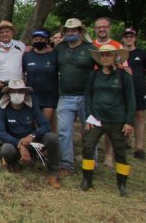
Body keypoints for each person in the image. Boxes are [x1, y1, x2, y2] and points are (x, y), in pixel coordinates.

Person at [81, 45, 135, 197]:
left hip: (117, 120)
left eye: (108, 55)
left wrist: (129, 121)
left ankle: (122, 185)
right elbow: (88, 96)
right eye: (102, 55)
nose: (105, 57)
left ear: (114, 56)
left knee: (120, 152)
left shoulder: (124, 75)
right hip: (97, 119)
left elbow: (131, 99)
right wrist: (89, 115)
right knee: (88, 146)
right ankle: (87, 180)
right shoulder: (94, 74)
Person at [0, 79, 61, 189]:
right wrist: (19, 143)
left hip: (31, 142)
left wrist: (32, 136)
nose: (17, 94)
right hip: (13, 144)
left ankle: (53, 173)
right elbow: (0, 133)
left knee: (52, 137)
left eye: (20, 91)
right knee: (6, 149)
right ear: (8, 93)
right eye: (13, 91)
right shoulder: (1, 107)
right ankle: (13, 163)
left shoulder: (31, 105)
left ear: (25, 93)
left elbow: (46, 125)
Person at [55, 18, 95, 176]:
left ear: (80, 32)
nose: (71, 33)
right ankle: (67, 164)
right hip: (65, 96)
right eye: (68, 31)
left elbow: (106, 63)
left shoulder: (90, 48)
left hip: (87, 97)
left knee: (90, 132)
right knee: (64, 131)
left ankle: (91, 162)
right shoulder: (60, 48)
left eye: (74, 30)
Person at [92, 17, 124, 167]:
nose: (102, 29)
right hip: (94, 87)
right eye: (99, 27)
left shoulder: (117, 46)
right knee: (93, 123)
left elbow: (124, 67)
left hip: (113, 89)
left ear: (109, 28)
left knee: (110, 124)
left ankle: (109, 156)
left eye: (104, 26)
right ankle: (92, 154)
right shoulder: (90, 46)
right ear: (95, 29)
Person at [122, 28, 146, 160]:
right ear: (123, 38)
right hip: (123, 89)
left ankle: (139, 148)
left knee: (139, 117)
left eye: (131, 36)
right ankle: (126, 140)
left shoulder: (142, 54)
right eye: (126, 36)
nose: (129, 38)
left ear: (135, 38)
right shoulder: (119, 54)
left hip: (139, 89)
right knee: (123, 116)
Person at [22, 29, 59, 132]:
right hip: (32, 95)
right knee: (33, 126)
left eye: (41, 39)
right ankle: (34, 147)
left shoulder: (54, 55)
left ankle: (48, 147)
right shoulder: (27, 55)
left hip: (49, 96)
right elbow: (21, 72)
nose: (38, 41)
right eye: (36, 39)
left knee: (45, 126)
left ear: (46, 40)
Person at [0, 21, 26, 118]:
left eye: (7, 31)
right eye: (2, 32)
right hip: (0, 85)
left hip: (17, 85)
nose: (5, 34)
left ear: (12, 32)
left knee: (17, 110)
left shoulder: (21, 46)